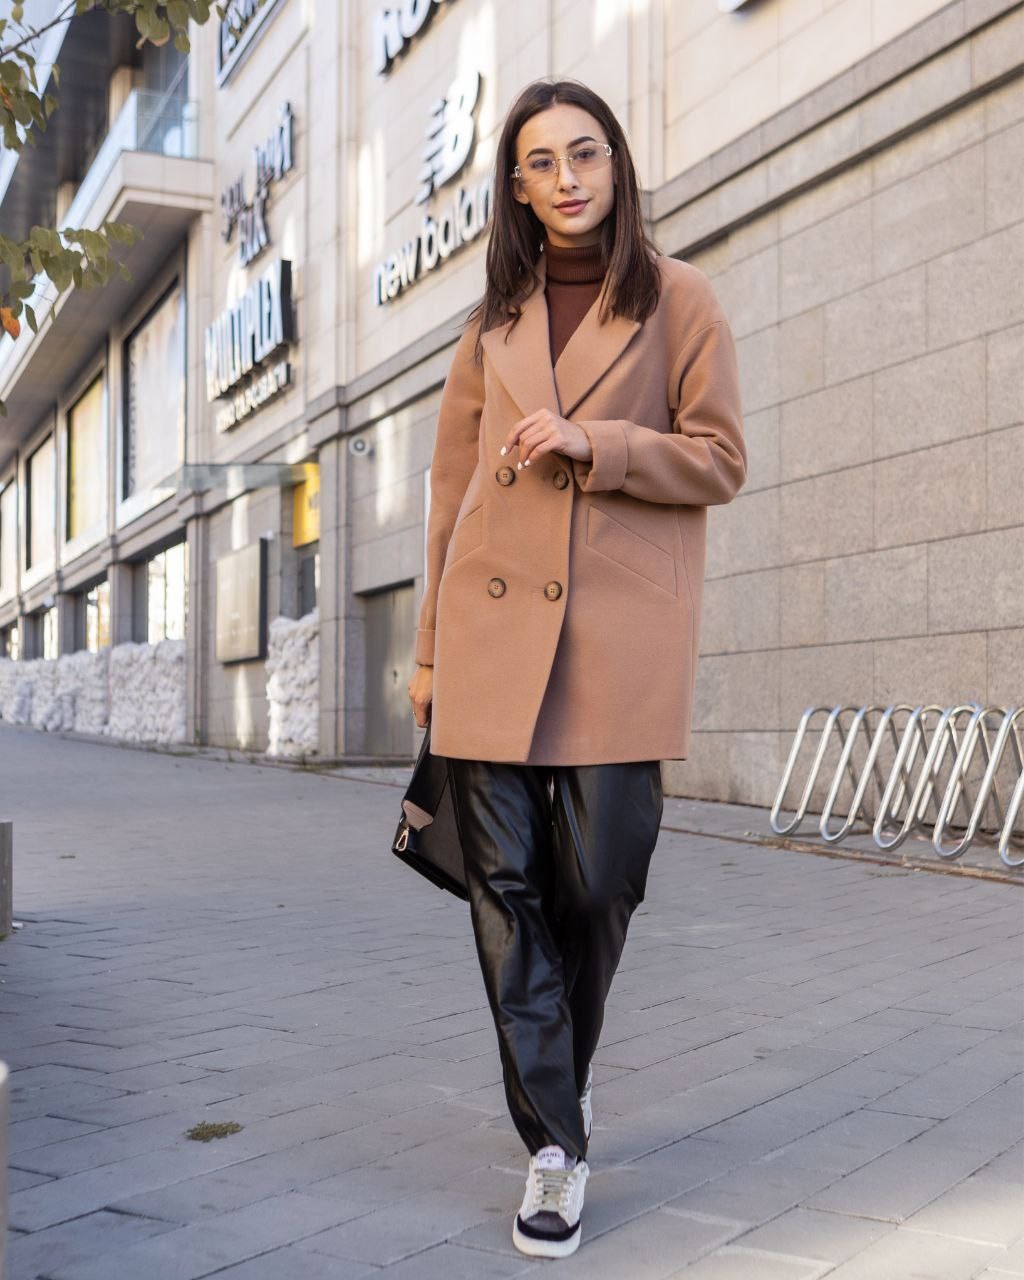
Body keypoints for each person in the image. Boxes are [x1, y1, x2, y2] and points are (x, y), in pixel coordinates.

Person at [407, 77, 747, 1259]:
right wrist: (426, 654)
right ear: (516, 186)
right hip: (490, 630)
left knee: (598, 884)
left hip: (613, 636)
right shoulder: (489, 323)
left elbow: (719, 458)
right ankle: (554, 1144)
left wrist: (592, 441)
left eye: (585, 153)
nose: (566, 178)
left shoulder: (677, 296)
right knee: (503, 892)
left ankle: (559, 1073)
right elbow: (450, 494)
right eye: (541, 162)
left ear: (616, 165)